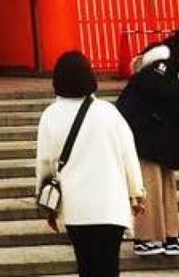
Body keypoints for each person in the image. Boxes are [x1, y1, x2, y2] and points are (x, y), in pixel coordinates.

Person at [35, 50, 146, 277]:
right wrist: (136, 193)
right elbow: (128, 156)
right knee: (108, 267)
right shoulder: (109, 112)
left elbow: (45, 164)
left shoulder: (50, 115)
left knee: (86, 267)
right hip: (110, 204)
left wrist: (47, 207)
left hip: (76, 207)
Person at [116, 25, 179, 257]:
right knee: (150, 187)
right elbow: (154, 89)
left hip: (163, 135)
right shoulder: (162, 60)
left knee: (166, 187)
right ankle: (145, 237)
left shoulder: (174, 63)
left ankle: (169, 235)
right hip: (147, 134)